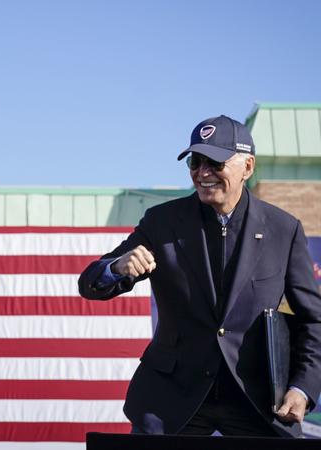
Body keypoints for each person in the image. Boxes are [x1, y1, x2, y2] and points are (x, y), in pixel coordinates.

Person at [78, 115, 321, 437]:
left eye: (215, 163)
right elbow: (90, 284)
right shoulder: (162, 221)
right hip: (171, 399)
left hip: (256, 400)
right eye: (195, 162)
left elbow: (313, 320)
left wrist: (301, 388)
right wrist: (116, 267)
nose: (203, 173)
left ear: (247, 167)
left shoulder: (283, 229)